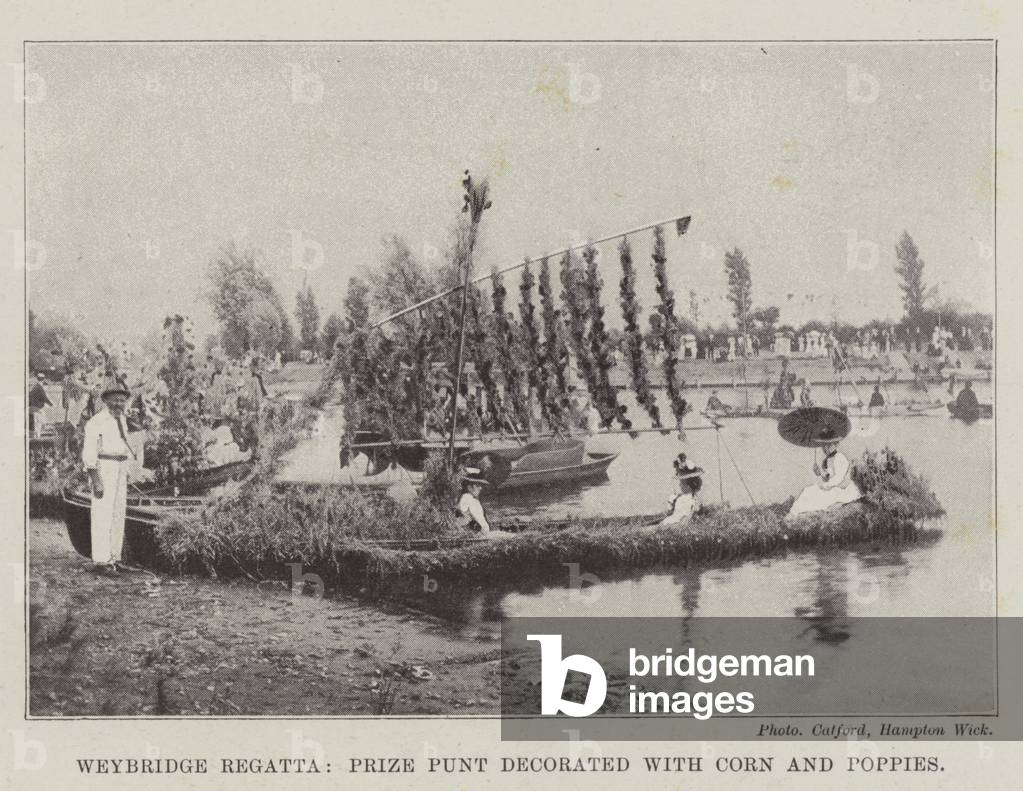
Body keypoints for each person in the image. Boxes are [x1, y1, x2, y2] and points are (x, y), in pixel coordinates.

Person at [81, 377, 139, 573]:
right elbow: (89, 453)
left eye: (122, 400)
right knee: (102, 513)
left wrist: (128, 470)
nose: (118, 404)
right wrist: (96, 479)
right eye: (114, 400)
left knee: (117, 513)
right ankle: (102, 560)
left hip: (120, 468)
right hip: (104, 468)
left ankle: (115, 558)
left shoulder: (121, 418)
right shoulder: (96, 421)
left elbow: (123, 446)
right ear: (105, 400)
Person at [786, 434, 862, 518]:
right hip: (832, 487)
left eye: (829, 445)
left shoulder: (840, 457)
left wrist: (827, 485)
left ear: (835, 445)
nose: (825, 448)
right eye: (823, 446)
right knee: (808, 491)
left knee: (813, 492)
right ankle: (794, 514)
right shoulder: (828, 460)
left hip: (842, 488)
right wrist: (819, 473)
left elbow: (839, 478)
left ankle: (796, 514)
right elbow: (827, 477)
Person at [661, 453, 703, 525]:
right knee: (675, 503)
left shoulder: (689, 465)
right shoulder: (679, 467)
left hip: (691, 493)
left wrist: (687, 476)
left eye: (680, 461)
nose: (680, 463)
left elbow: (699, 472)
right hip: (686, 494)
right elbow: (677, 474)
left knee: (685, 509)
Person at [455, 468, 490, 533]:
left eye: (480, 485)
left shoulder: (469, 498)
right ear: (469, 487)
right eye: (477, 485)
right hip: (472, 534)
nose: (480, 488)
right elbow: (482, 525)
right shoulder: (468, 499)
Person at [28, 371, 52, 438]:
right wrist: (51, 404)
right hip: (37, 407)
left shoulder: (35, 386)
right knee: (40, 422)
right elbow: (44, 397)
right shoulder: (39, 387)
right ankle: (37, 436)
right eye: (42, 379)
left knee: (37, 422)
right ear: (43, 379)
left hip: (34, 406)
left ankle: (37, 435)